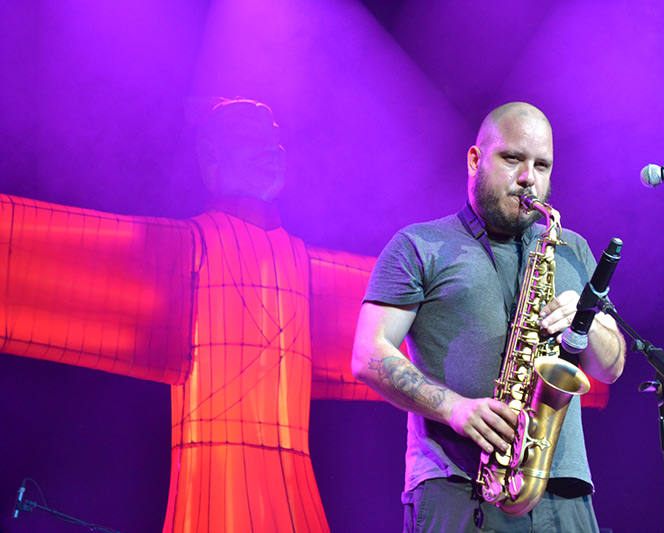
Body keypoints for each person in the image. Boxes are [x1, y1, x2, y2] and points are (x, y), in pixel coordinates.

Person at [0, 98, 377, 532]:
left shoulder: (308, 268)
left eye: (276, 138)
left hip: (293, 499)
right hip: (208, 497)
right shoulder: (187, 249)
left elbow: (413, 330)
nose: (274, 149)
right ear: (211, 156)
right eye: (254, 136)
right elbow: (38, 254)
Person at [352, 101, 626, 532]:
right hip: (459, 486)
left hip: (564, 492)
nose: (528, 179)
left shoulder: (571, 247)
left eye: (542, 165)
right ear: (476, 160)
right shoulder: (418, 244)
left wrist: (585, 319)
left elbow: (610, 369)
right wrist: (455, 408)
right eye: (513, 158)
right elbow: (368, 354)